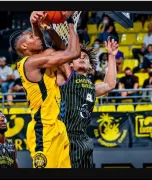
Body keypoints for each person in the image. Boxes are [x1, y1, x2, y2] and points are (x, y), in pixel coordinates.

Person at [10, 11, 80, 168]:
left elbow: (59, 48)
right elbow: (73, 53)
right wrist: (69, 22)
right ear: (24, 46)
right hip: (43, 130)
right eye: (32, 37)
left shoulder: (40, 59)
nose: (36, 37)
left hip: (58, 127)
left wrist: (43, 27)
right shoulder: (29, 63)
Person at [57, 37, 118, 168]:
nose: (82, 57)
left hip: (84, 139)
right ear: (70, 63)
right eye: (78, 56)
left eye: (85, 57)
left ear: (90, 66)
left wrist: (111, 56)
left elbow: (109, 84)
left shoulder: (91, 86)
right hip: (65, 136)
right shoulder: (65, 76)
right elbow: (60, 53)